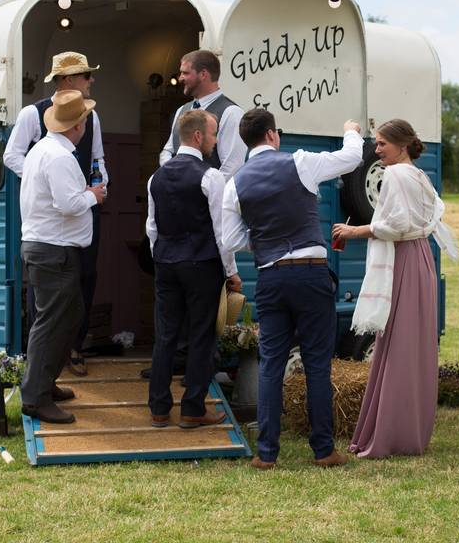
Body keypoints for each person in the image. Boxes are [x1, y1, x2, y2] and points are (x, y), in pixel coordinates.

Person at [222, 108, 364, 469]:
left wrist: (266, 240)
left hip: (270, 275)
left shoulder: (234, 184)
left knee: (271, 363)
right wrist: (350, 130)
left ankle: (266, 453)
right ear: (272, 135)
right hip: (310, 272)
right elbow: (351, 158)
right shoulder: (300, 162)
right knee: (317, 363)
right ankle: (323, 450)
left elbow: (231, 240)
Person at [331, 119, 458, 457]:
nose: (377, 150)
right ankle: (408, 430)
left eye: (382, 144)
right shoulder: (417, 174)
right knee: (410, 345)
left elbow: (397, 225)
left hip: (404, 260)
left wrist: (353, 231)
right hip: (419, 259)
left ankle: (391, 433)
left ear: (401, 145)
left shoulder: (397, 175)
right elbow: (427, 216)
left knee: (400, 345)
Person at [4, 51, 107, 377]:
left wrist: (99, 186)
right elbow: (11, 155)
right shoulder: (32, 115)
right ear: (68, 80)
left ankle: (73, 346)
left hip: (85, 209)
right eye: (86, 75)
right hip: (51, 220)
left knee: (85, 279)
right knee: (44, 291)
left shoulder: (92, 115)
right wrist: (47, 186)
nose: (91, 81)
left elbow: (97, 158)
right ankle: (46, 360)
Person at [146, 109, 242, 428]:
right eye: (214, 135)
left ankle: (159, 407)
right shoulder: (210, 176)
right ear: (198, 136)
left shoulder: (155, 177)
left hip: (165, 263)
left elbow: (151, 228)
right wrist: (231, 271)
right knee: (201, 336)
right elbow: (220, 230)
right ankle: (192, 409)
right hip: (201, 263)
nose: (215, 142)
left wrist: (161, 258)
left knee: (166, 335)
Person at [19, 89, 106, 424]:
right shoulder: (59, 157)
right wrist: (93, 196)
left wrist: (82, 194)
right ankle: (35, 398)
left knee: (67, 318)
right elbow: (68, 204)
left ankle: (45, 383)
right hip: (54, 250)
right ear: (78, 126)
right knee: (52, 323)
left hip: (49, 248)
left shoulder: (44, 150)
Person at [159, 49, 247, 180]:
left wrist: (203, 190)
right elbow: (168, 151)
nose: (180, 78)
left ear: (203, 74)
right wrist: (173, 177)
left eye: (185, 73)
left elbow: (232, 167)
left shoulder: (231, 112)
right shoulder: (181, 110)